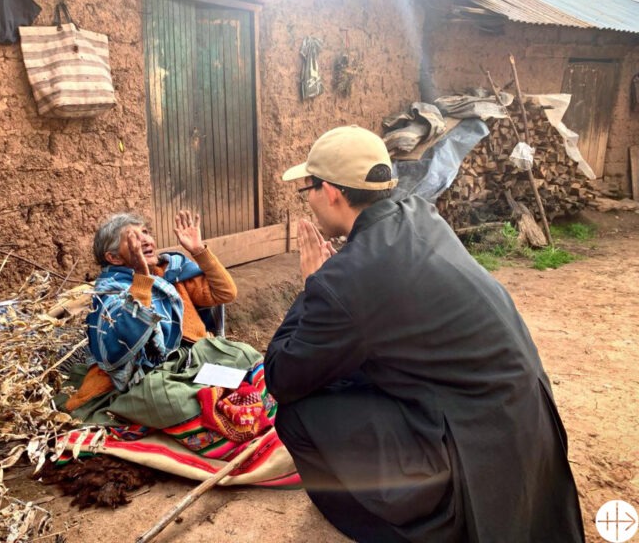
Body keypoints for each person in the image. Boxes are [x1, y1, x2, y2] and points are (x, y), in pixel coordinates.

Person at [264, 125, 584, 542]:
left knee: (298, 412)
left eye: (306, 189)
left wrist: (313, 285)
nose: (307, 200)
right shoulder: (419, 215)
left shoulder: (348, 278)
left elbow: (282, 377)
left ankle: (401, 530)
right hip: (523, 421)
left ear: (330, 192)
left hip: (477, 443)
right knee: (344, 370)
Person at [63, 210, 262, 428]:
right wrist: (141, 278)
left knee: (248, 357)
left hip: (196, 356)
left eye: (146, 232)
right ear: (114, 258)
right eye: (133, 238)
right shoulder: (110, 291)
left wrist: (198, 251)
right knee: (171, 401)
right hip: (152, 372)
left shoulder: (171, 271)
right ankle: (208, 395)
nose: (146, 240)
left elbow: (225, 293)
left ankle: (207, 392)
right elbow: (123, 341)